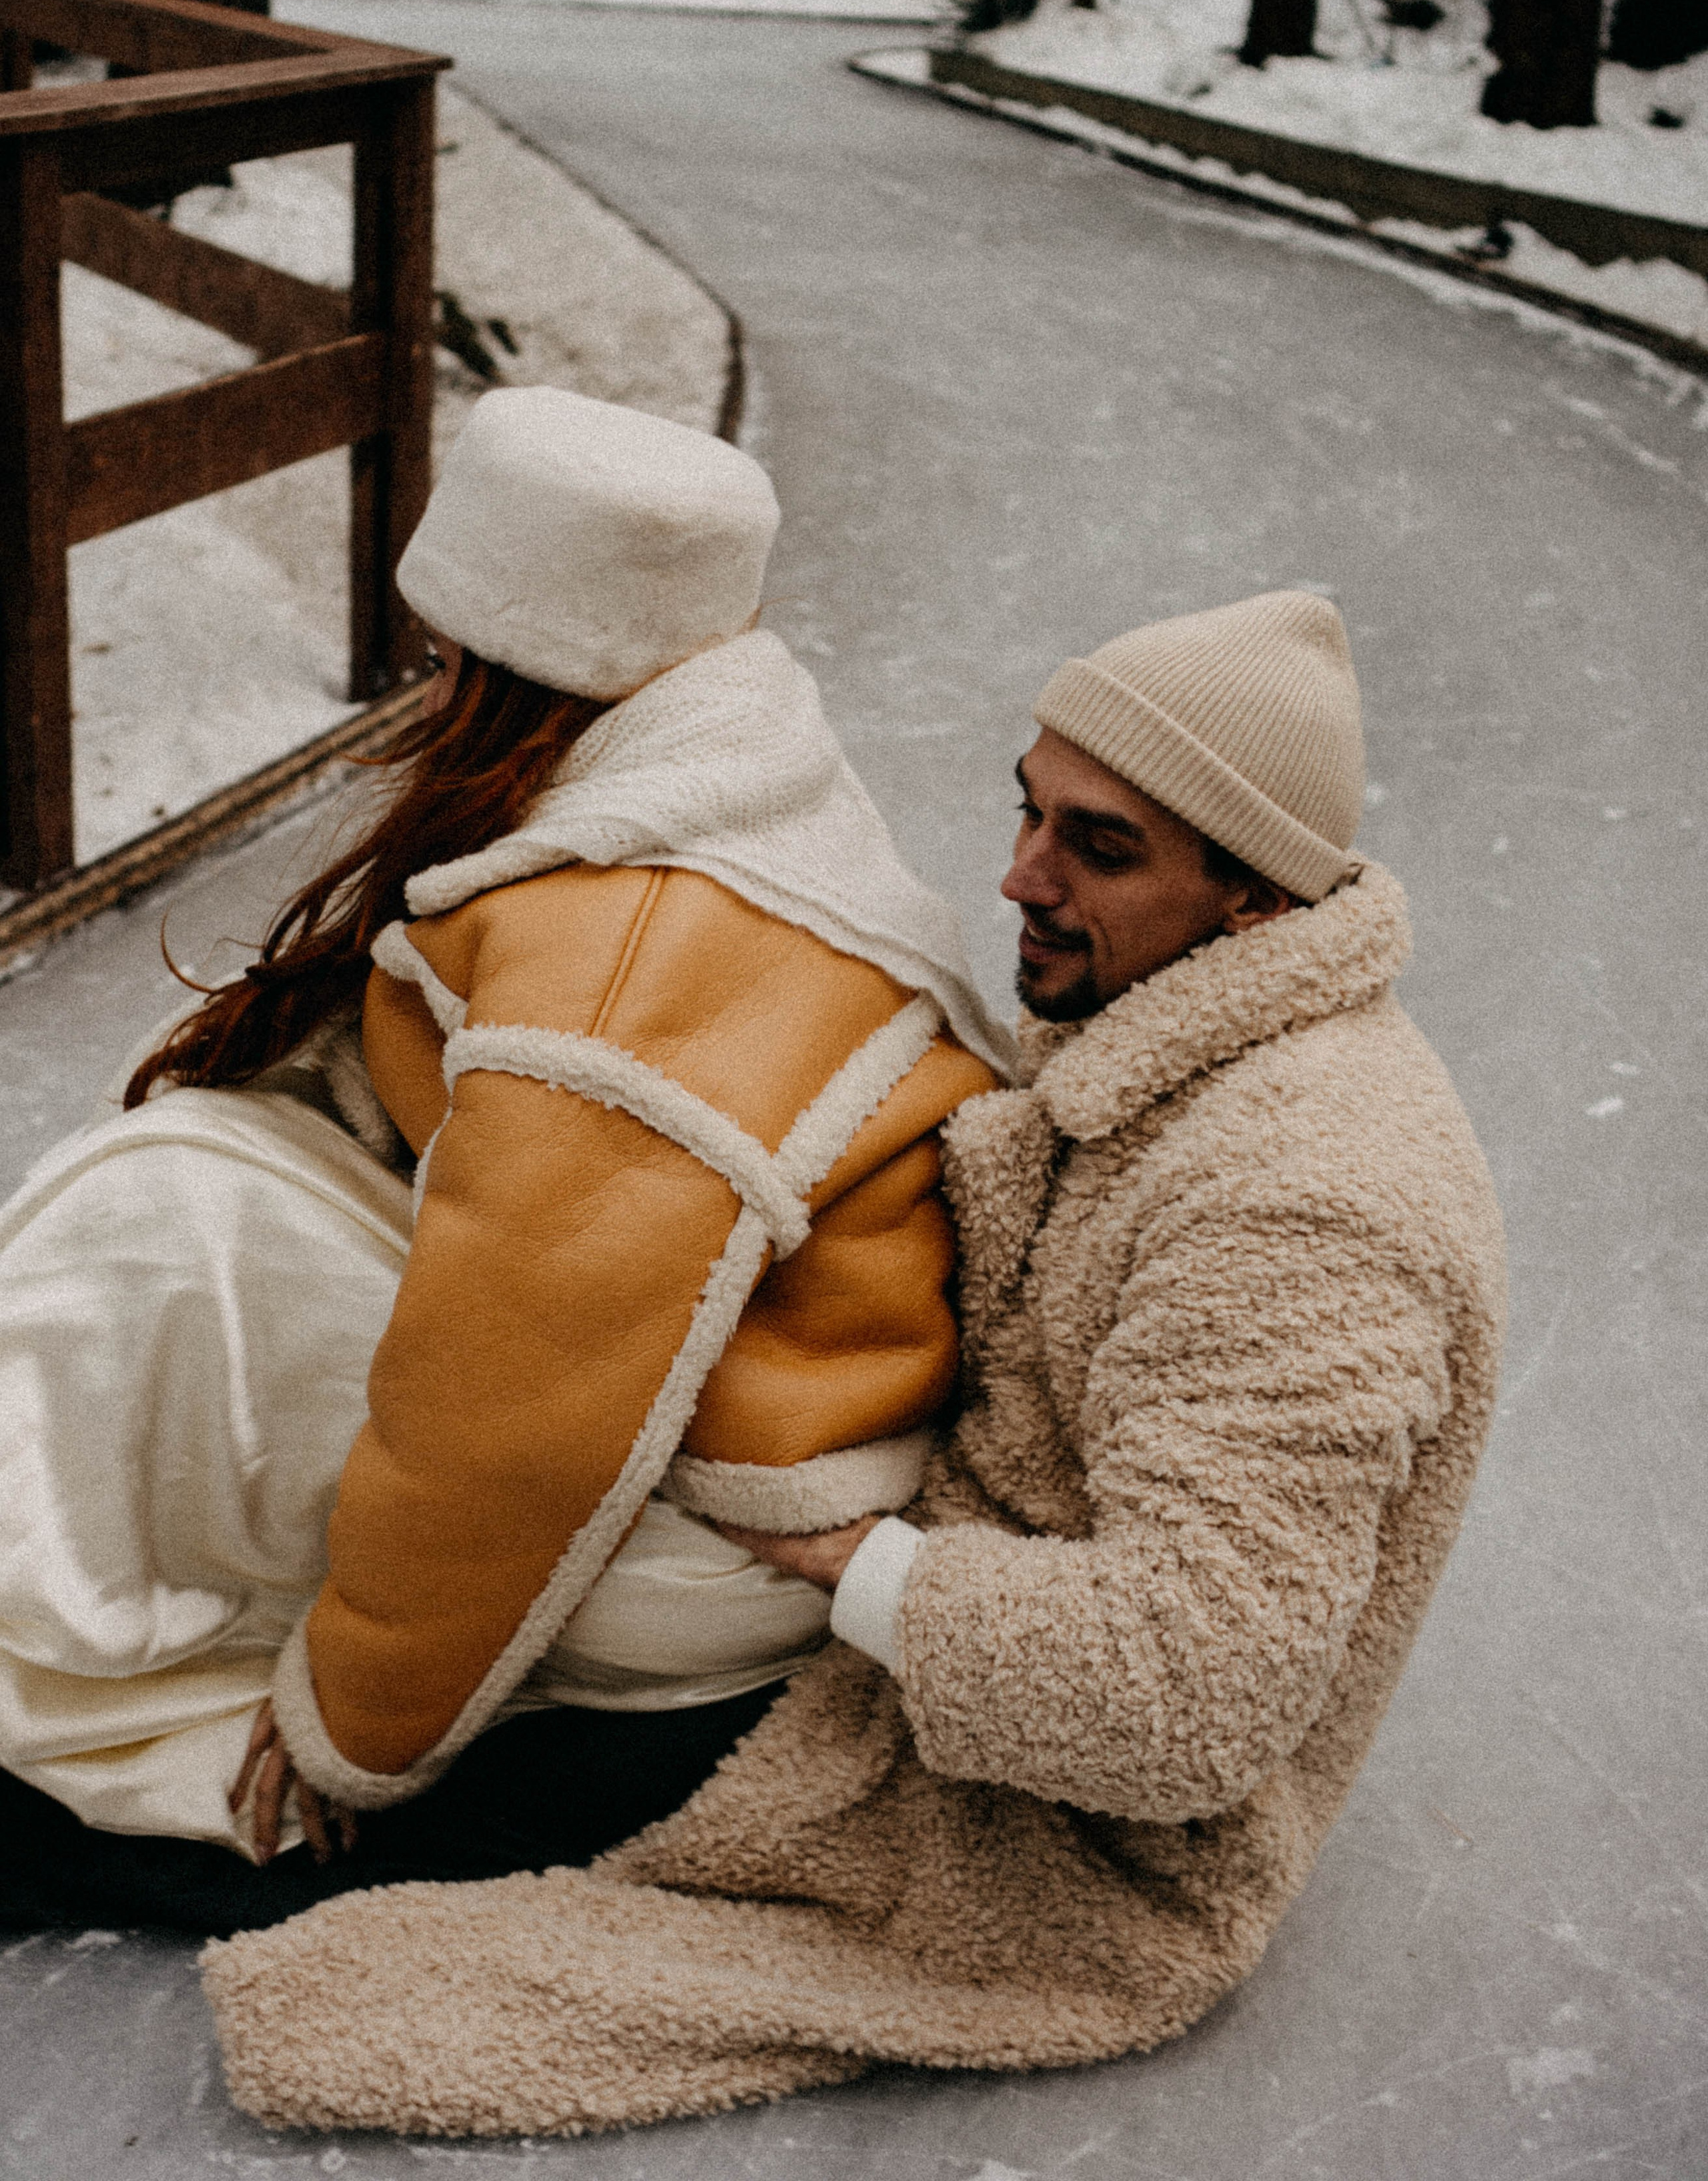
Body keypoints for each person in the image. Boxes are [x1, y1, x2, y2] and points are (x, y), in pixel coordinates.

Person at [203, 589, 1507, 2141]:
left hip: (1040, 1818)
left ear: (1256, 905)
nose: (1021, 877)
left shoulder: (1303, 1204)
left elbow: (1190, 1692)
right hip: (924, 1606)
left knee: (325, 1800)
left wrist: (849, 1560)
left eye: (1099, 850)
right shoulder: (1168, 1020)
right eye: (1028, 813)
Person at [0, 386, 1007, 1935]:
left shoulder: (632, 970)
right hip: (705, 1431)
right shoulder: (725, 773)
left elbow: (516, 1424)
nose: (430, 683)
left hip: (699, 1552)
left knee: (161, 1234)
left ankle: (66, 1644)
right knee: (182, 1192)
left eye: (452, 650)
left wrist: (357, 1727)